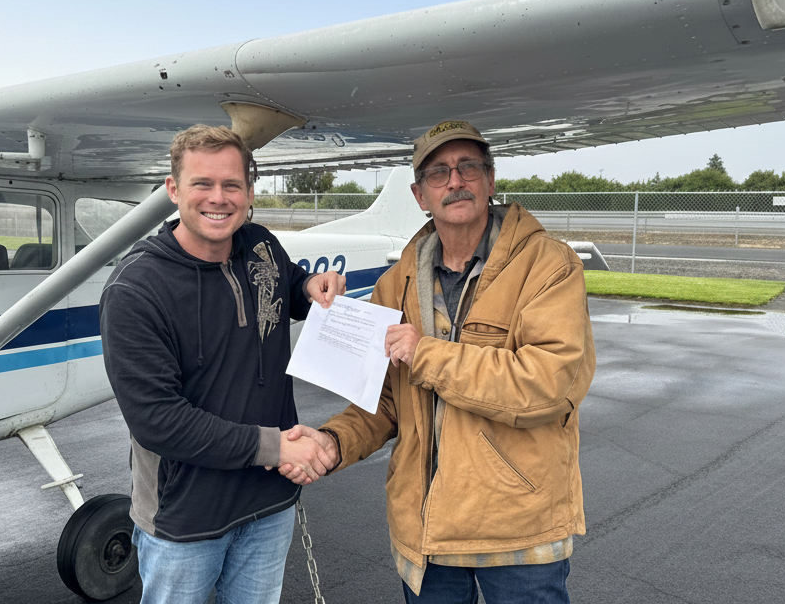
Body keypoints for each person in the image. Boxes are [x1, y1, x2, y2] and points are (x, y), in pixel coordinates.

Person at [285, 120, 596, 603]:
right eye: (438, 173)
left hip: (517, 534)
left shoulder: (548, 265)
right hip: (426, 535)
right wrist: (332, 442)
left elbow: (548, 386)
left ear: (490, 180)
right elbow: (388, 401)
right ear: (419, 195)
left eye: (468, 167)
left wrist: (426, 353)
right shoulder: (399, 281)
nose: (455, 181)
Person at [100, 124, 342, 604]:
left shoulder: (260, 245)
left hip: (269, 502)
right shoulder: (135, 290)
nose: (219, 198)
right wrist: (278, 447)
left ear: (249, 193)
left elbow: (285, 284)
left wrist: (310, 287)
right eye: (202, 184)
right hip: (184, 519)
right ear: (173, 190)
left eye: (232, 185)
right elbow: (158, 422)